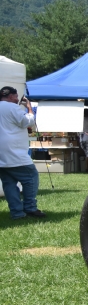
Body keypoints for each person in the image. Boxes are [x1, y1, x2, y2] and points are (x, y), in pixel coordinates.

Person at [0, 86, 46, 220]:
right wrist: (29, 108)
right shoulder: (12, 108)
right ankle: (30, 207)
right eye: (16, 96)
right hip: (14, 152)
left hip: (2, 154)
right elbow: (27, 121)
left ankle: (16, 212)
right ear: (10, 97)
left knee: (8, 184)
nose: (17, 99)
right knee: (31, 177)